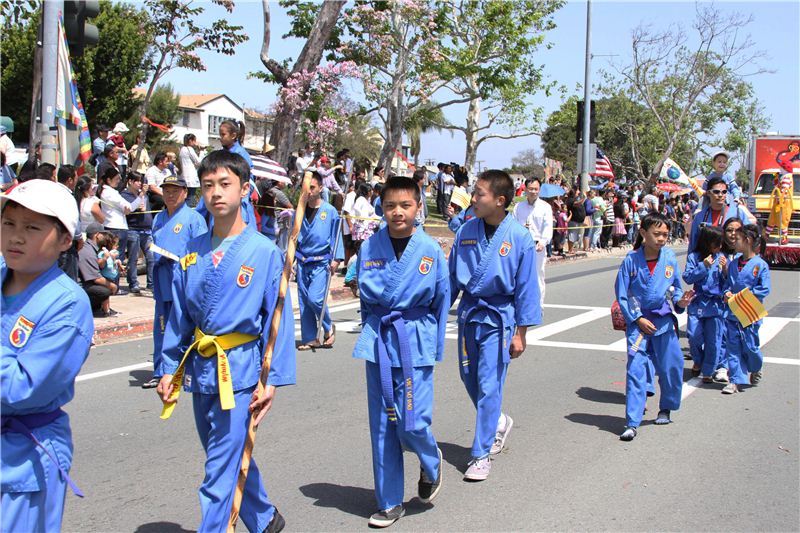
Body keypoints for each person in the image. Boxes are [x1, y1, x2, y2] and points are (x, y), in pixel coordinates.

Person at [156, 150, 294, 533]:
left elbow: (277, 323)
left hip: (241, 372)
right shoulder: (192, 250)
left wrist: (271, 380)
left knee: (218, 470)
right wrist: (168, 368)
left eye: (225, 184)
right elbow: (180, 317)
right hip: (201, 370)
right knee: (225, 455)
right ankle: (265, 518)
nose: (216, 192)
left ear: (245, 189)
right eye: (208, 185)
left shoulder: (264, 252)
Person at [354, 176, 448, 528]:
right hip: (380, 339)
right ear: (381, 208)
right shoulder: (369, 247)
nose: (397, 212)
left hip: (415, 341)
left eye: (405, 205)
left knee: (413, 422)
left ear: (418, 207)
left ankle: (430, 458)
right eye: (390, 205)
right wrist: (370, 333)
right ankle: (389, 501)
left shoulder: (430, 250)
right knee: (382, 425)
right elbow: (366, 303)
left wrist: (434, 345)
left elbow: (441, 299)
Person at [1, 179, 93, 533]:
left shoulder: (67, 304)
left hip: (25, 457)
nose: (15, 237)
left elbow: (22, 388)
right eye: (9, 223)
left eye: (32, 228)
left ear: (65, 240)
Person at [448, 170, 542, 480]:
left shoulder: (519, 237)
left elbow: (527, 288)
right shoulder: (466, 231)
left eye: (479, 194)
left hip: (499, 319)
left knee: (490, 385)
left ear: (500, 200)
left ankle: (481, 454)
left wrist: (520, 334)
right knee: (469, 378)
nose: (473, 199)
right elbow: (451, 280)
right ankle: (498, 421)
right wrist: (433, 314)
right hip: (469, 314)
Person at [615, 213, 694, 442]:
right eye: (656, 233)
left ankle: (666, 407)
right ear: (643, 233)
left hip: (663, 322)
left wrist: (681, 302)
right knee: (635, 370)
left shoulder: (669, 258)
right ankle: (632, 421)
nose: (661, 238)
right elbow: (623, 294)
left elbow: (675, 288)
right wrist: (637, 318)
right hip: (638, 324)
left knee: (671, 367)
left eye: (665, 235)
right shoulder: (631, 260)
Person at [142, 174, 207, 389]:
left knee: (182, 324)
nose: (170, 195)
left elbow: (201, 250)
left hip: (183, 278)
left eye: (175, 191)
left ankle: (184, 367)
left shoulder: (193, 218)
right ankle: (161, 370)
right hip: (163, 277)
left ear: (185, 193)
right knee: (161, 325)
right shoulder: (159, 218)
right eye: (166, 191)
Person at [295, 173, 344, 350]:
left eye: (312, 187)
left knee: (314, 298)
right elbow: (293, 236)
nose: (308, 191)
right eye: (306, 187)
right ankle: (310, 338)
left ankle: (328, 326)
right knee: (304, 302)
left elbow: (336, 236)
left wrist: (337, 258)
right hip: (302, 261)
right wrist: (290, 260)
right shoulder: (299, 210)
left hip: (321, 262)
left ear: (320, 188)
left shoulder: (329, 211)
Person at [721, 224, 771, 394]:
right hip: (733, 311)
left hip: (750, 311)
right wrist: (726, 293)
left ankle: (756, 367)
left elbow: (764, 289)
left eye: (737, 239)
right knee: (733, 347)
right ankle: (735, 380)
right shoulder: (733, 264)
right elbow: (727, 284)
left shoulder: (760, 265)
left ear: (747, 240)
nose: (733, 241)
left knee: (750, 346)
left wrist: (741, 295)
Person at [682, 225, 726, 383]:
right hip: (698, 302)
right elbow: (688, 277)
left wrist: (725, 269)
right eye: (716, 243)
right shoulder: (694, 257)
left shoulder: (721, 257)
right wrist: (704, 266)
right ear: (707, 242)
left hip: (715, 304)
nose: (719, 246)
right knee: (694, 335)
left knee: (713, 339)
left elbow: (727, 282)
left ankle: (708, 370)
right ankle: (698, 359)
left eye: (720, 243)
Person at [97, 165, 144, 290]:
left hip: (114, 226)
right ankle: (114, 286)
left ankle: (114, 285)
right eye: (117, 179)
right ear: (109, 180)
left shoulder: (105, 191)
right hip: (116, 227)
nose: (119, 181)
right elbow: (129, 208)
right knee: (116, 258)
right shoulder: (110, 193)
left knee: (115, 258)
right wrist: (140, 197)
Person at [512, 178, 553, 306]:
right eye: (530, 189)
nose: (533, 192)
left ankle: (538, 306)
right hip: (520, 246)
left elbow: (548, 227)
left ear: (539, 190)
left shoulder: (545, 207)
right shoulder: (518, 207)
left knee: (537, 275)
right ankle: (521, 304)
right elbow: (513, 226)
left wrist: (543, 242)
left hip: (537, 246)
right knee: (519, 275)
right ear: (525, 189)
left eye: (536, 189)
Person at [688, 176, 752, 254]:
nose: (720, 195)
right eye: (716, 192)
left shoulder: (738, 213)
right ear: (708, 193)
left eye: (724, 192)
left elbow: (750, 237)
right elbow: (693, 245)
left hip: (733, 259)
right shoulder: (700, 217)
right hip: (707, 260)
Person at [120, 172, 154, 295]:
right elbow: (130, 209)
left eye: (141, 181)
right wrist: (141, 195)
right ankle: (133, 283)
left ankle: (151, 283)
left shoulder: (144, 195)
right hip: (133, 229)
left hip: (147, 230)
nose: (140, 183)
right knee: (133, 258)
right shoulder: (125, 195)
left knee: (151, 257)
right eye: (137, 181)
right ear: (130, 181)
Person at [78, 223, 118, 316]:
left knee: (106, 285)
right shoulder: (87, 251)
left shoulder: (92, 248)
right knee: (105, 290)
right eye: (104, 234)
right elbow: (96, 278)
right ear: (97, 235)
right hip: (81, 286)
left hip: (87, 283)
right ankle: (92, 309)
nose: (106, 237)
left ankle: (99, 307)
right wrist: (113, 286)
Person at [179, 133, 202, 205]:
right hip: (191, 177)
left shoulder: (182, 149)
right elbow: (198, 162)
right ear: (190, 141)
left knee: (185, 197)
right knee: (190, 198)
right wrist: (202, 151)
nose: (195, 143)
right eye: (194, 141)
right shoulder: (189, 149)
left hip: (184, 176)